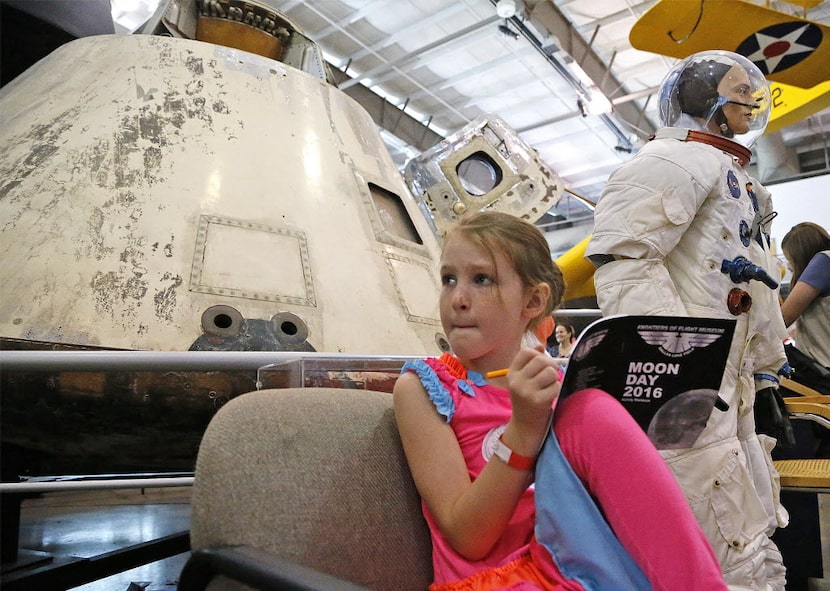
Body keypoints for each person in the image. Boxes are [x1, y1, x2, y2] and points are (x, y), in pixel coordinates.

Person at [394, 210, 727, 591]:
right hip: (502, 580)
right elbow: (468, 538)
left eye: (481, 279)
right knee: (590, 412)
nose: (458, 299)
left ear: (533, 300)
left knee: (592, 408)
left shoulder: (565, 384)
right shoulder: (426, 388)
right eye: (448, 279)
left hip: (584, 566)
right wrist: (523, 430)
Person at [585, 50, 790, 590]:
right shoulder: (672, 162)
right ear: (707, 100)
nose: (752, 96)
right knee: (709, 515)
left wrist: (766, 370)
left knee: (752, 514)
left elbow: (754, 283)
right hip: (693, 374)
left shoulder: (737, 178)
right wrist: (676, 362)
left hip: (733, 378)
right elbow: (625, 259)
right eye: (739, 87)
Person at [780, 222, 830, 369]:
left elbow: (784, 318)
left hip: (822, 372)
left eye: (790, 261)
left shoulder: (824, 261)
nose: (790, 267)